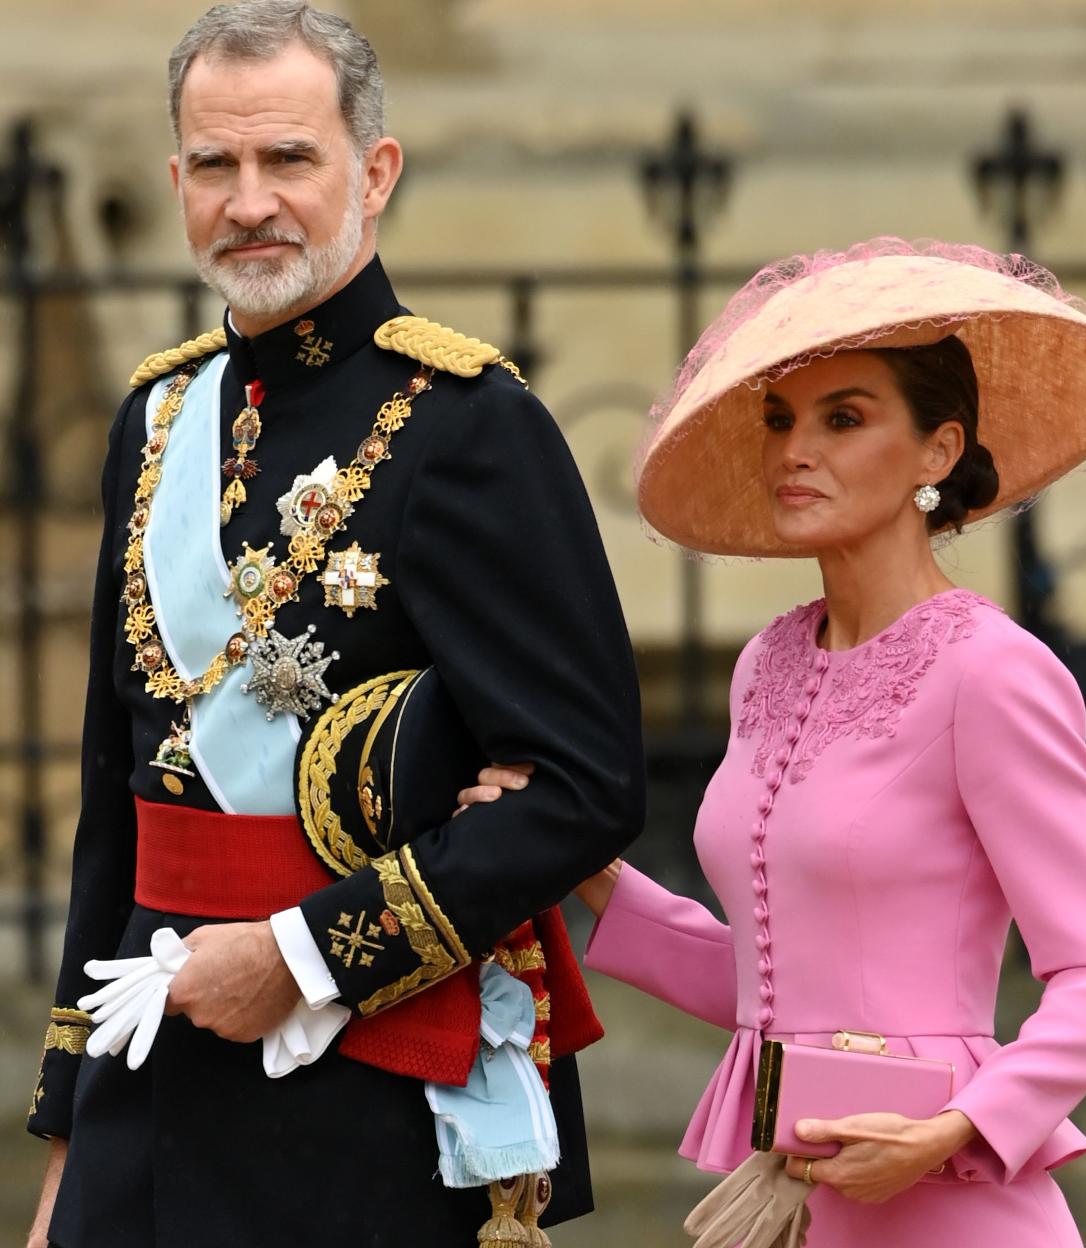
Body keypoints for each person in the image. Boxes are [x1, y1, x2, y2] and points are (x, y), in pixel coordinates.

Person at [25, 3, 644, 1246]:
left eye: (288, 159)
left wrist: (307, 957)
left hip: (361, 1085)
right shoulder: (155, 419)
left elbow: (584, 787)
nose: (250, 201)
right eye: (217, 164)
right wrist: (67, 1128)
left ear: (374, 171)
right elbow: (115, 798)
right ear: (178, 182)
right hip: (150, 1077)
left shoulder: (469, 426)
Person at [460, 239, 1086, 1246]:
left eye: (845, 418)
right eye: (781, 419)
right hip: (789, 1206)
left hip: (957, 1210)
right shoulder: (768, 664)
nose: (797, 448)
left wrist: (957, 1127)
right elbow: (770, 978)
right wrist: (581, 870)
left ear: (938, 451)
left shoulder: (991, 672)